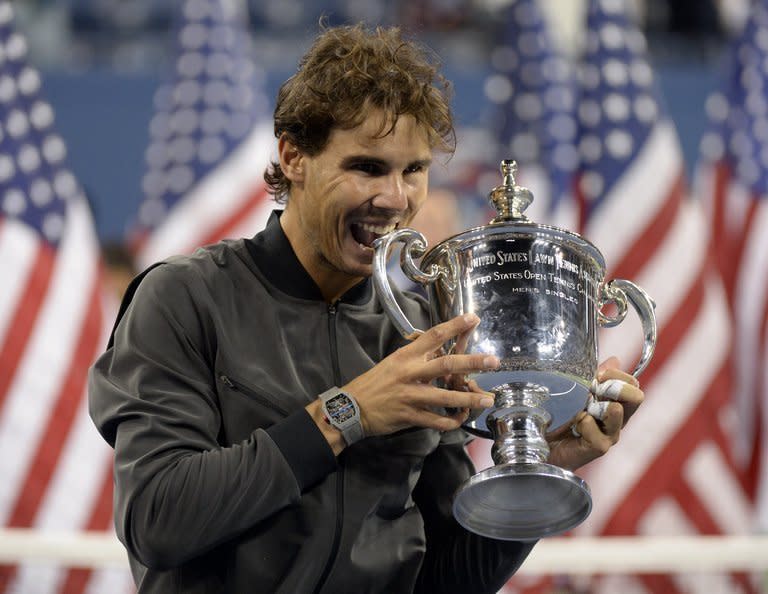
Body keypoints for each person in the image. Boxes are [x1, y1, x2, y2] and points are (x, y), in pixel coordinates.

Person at [88, 23, 645, 594]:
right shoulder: (182, 297)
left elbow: (445, 579)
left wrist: (539, 466)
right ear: (293, 156)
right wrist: (347, 415)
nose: (396, 199)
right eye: (367, 167)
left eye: (415, 170)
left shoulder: (424, 322)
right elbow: (157, 519)